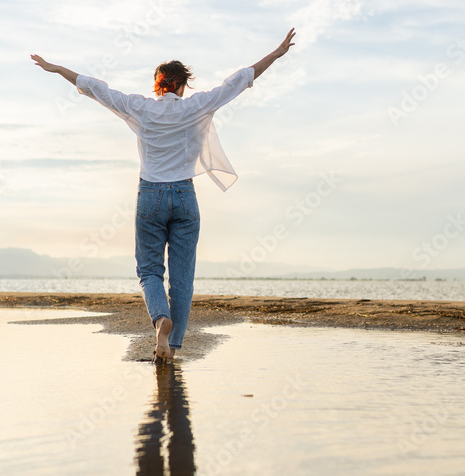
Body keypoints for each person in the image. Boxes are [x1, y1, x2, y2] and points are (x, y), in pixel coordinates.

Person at [31, 27, 296, 362]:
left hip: (151, 197)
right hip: (186, 196)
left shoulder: (139, 107)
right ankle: (171, 349)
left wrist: (55, 68)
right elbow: (239, 80)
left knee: (149, 271)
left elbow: (92, 86)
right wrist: (275, 53)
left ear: (157, 85)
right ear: (182, 85)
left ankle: (161, 320)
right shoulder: (196, 106)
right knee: (182, 278)